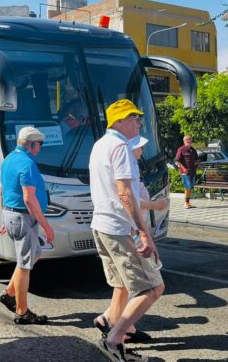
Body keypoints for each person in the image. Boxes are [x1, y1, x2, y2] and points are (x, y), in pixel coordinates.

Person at [90, 99, 164, 362]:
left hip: (101, 225)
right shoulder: (120, 147)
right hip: (119, 227)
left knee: (121, 283)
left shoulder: (99, 145)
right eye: (134, 118)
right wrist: (144, 232)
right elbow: (125, 194)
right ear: (120, 120)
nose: (138, 123)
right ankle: (113, 339)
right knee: (152, 287)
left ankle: (111, 326)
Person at [0, 127, 54, 325]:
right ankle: (22, 312)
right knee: (25, 265)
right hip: (23, 218)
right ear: (31, 144)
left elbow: (2, 188)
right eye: (39, 144)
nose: (40, 147)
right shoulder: (27, 164)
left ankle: (9, 293)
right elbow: (29, 199)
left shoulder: (9, 158)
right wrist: (47, 227)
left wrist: (4, 216)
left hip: (12, 214)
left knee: (34, 254)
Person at [175, 135, 199, 209]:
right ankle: (186, 203)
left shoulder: (193, 149)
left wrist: (197, 164)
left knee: (190, 187)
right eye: (188, 139)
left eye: (191, 139)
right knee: (187, 187)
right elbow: (177, 160)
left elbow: (196, 159)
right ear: (184, 141)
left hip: (193, 171)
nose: (190, 141)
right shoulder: (181, 149)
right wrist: (184, 168)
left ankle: (188, 202)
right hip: (185, 172)